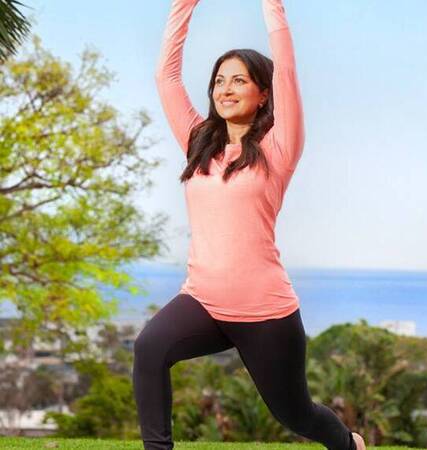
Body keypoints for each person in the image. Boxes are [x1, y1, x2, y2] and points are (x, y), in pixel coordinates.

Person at [132, 1, 366, 449]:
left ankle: (348, 444)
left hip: (266, 313)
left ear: (263, 93)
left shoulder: (279, 148)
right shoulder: (198, 142)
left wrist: (272, 6)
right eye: (219, 81)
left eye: (239, 80)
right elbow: (165, 77)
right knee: (149, 348)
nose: (225, 89)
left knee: (296, 414)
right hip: (201, 300)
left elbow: (289, 73)